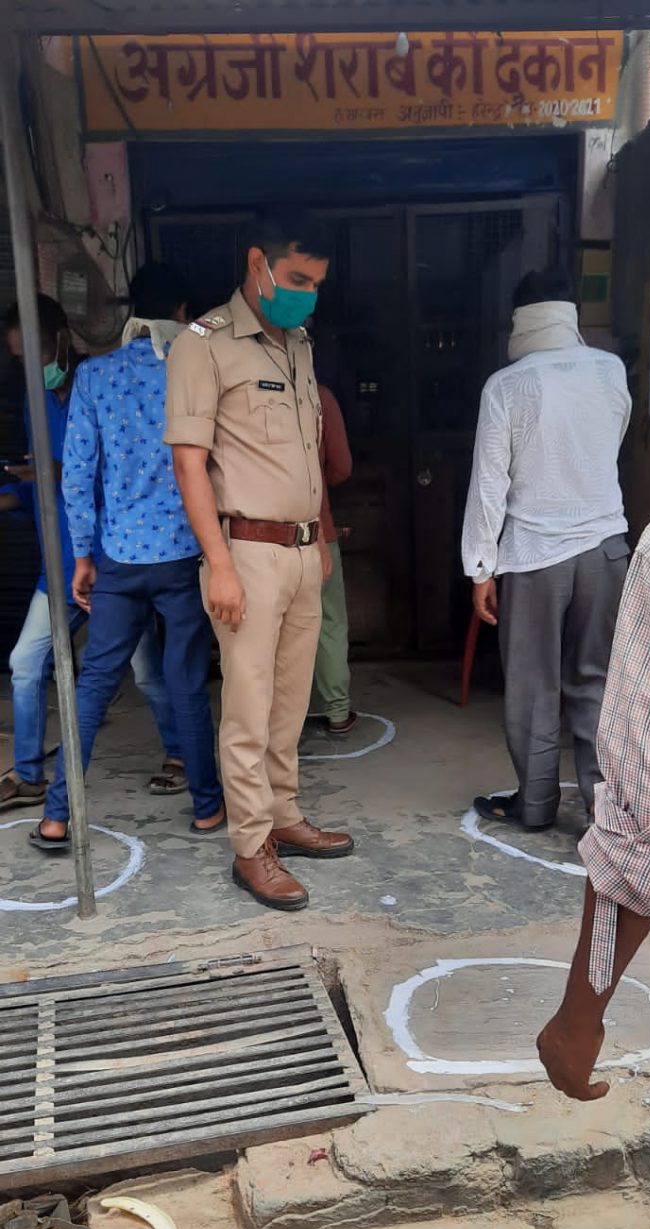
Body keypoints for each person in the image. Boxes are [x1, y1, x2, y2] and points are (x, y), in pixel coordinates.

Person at [165, 216, 354, 912]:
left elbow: (307, 455)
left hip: (304, 552)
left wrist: (321, 539)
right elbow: (188, 463)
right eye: (298, 278)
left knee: (291, 701)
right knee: (248, 705)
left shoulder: (298, 345)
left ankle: (283, 815)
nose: (308, 294)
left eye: (317, 284)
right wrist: (218, 564)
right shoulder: (204, 345)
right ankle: (251, 847)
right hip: (245, 552)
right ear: (258, 264)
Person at [536, 309, 650, 1103]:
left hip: (541, 546)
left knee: (552, 685)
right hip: (592, 542)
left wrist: (578, 1018)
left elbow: (649, 811)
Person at [30, 264, 224, 851]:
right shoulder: (198, 375)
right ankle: (207, 808)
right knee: (185, 682)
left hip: (119, 557)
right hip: (183, 555)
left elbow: (76, 477)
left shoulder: (94, 376)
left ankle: (57, 815)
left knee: (93, 684)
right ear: (183, 313)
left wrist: (83, 555)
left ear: (132, 312)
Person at [0, 295, 186, 815]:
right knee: (24, 663)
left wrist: (57, 473)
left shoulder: (102, 383)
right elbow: (44, 485)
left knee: (145, 671)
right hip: (59, 566)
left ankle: (179, 754)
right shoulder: (36, 401)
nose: (29, 365)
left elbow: (125, 471)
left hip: (112, 562)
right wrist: (17, 488)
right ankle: (29, 774)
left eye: (33, 353)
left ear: (61, 339)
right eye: (18, 358)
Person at [461, 269, 632, 833]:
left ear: (519, 319)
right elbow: (611, 443)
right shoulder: (610, 371)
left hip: (536, 555)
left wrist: (481, 569)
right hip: (606, 549)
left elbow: (490, 483)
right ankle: (603, 807)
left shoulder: (506, 385)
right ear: (570, 313)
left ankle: (534, 806)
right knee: (596, 680)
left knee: (534, 686)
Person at [314, 383, 356, 734]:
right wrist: (316, 483)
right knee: (329, 622)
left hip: (255, 540)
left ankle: (276, 719)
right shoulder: (319, 395)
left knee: (271, 630)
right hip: (317, 530)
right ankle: (337, 711)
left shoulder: (238, 387)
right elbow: (341, 466)